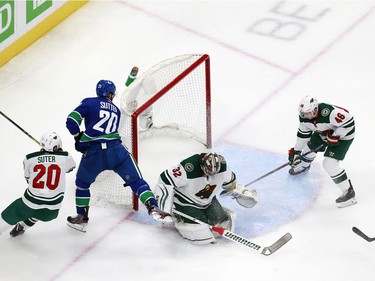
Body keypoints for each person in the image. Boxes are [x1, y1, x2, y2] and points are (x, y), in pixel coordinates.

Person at [65, 79, 166, 232]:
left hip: (94, 154)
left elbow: (71, 121)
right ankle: (152, 206)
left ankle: (81, 217)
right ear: (110, 94)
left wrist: (78, 137)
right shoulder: (116, 110)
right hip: (117, 151)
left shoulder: (88, 103)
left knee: (82, 184)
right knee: (136, 181)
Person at [154, 152, 258, 245]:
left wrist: (242, 192)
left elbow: (231, 184)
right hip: (186, 201)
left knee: (222, 222)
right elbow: (164, 180)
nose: (209, 176)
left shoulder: (223, 168)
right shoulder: (188, 168)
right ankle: (177, 214)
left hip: (208, 200)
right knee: (200, 229)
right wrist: (164, 208)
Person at [0, 132, 76, 237]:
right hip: (52, 210)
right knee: (38, 213)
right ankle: (22, 226)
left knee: (10, 215)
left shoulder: (29, 158)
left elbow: (28, 178)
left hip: (29, 203)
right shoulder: (66, 156)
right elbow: (71, 167)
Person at [288, 95, 356, 208]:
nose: (305, 116)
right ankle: (304, 166)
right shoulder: (305, 117)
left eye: (308, 113)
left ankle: (349, 193)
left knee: (329, 164)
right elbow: (303, 136)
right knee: (308, 150)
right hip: (323, 133)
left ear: (315, 109)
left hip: (344, 136)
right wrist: (296, 152)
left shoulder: (329, 112)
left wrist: (336, 135)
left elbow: (349, 122)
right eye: (303, 113)